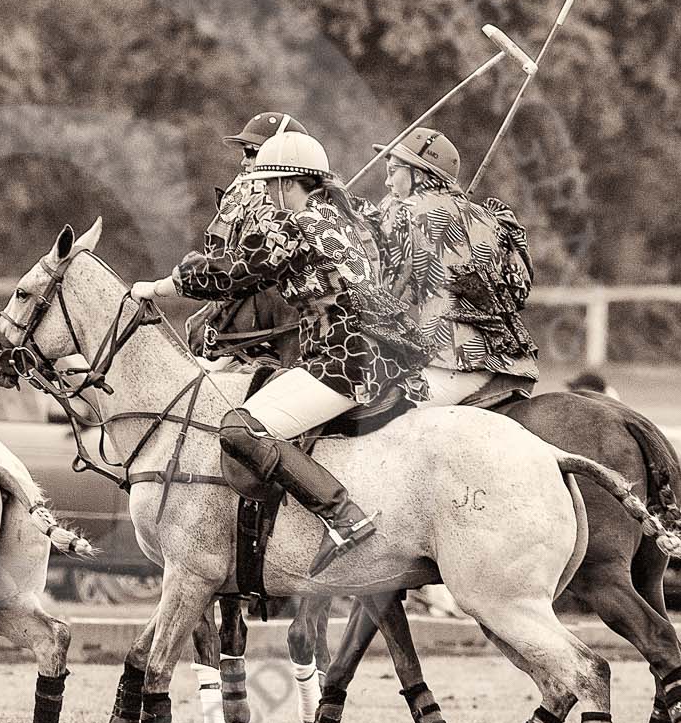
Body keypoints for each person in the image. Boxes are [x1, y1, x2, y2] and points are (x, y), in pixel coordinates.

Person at [129, 126, 430, 587]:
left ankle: (342, 515)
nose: (266, 196)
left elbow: (228, 276)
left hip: (342, 361)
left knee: (238, 428)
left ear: (290, 183)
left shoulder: (292, 226)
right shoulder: (348, 214)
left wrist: (155, 287)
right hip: (387, 353)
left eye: (270, 186)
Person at [372, 126, 539, 407]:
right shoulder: (493, 218)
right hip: (516, 366)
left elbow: (384, 295)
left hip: (451, 363)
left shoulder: (401, 211)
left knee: (372, 418)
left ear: (419, 174)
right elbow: (520, 292)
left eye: (393, 172)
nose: (388, 183)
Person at [186, 112, 313, 365]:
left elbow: (223, 259)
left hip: (300, 335)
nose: (244, 162)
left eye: (251, 153)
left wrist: (161, 287)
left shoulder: (253, 191)